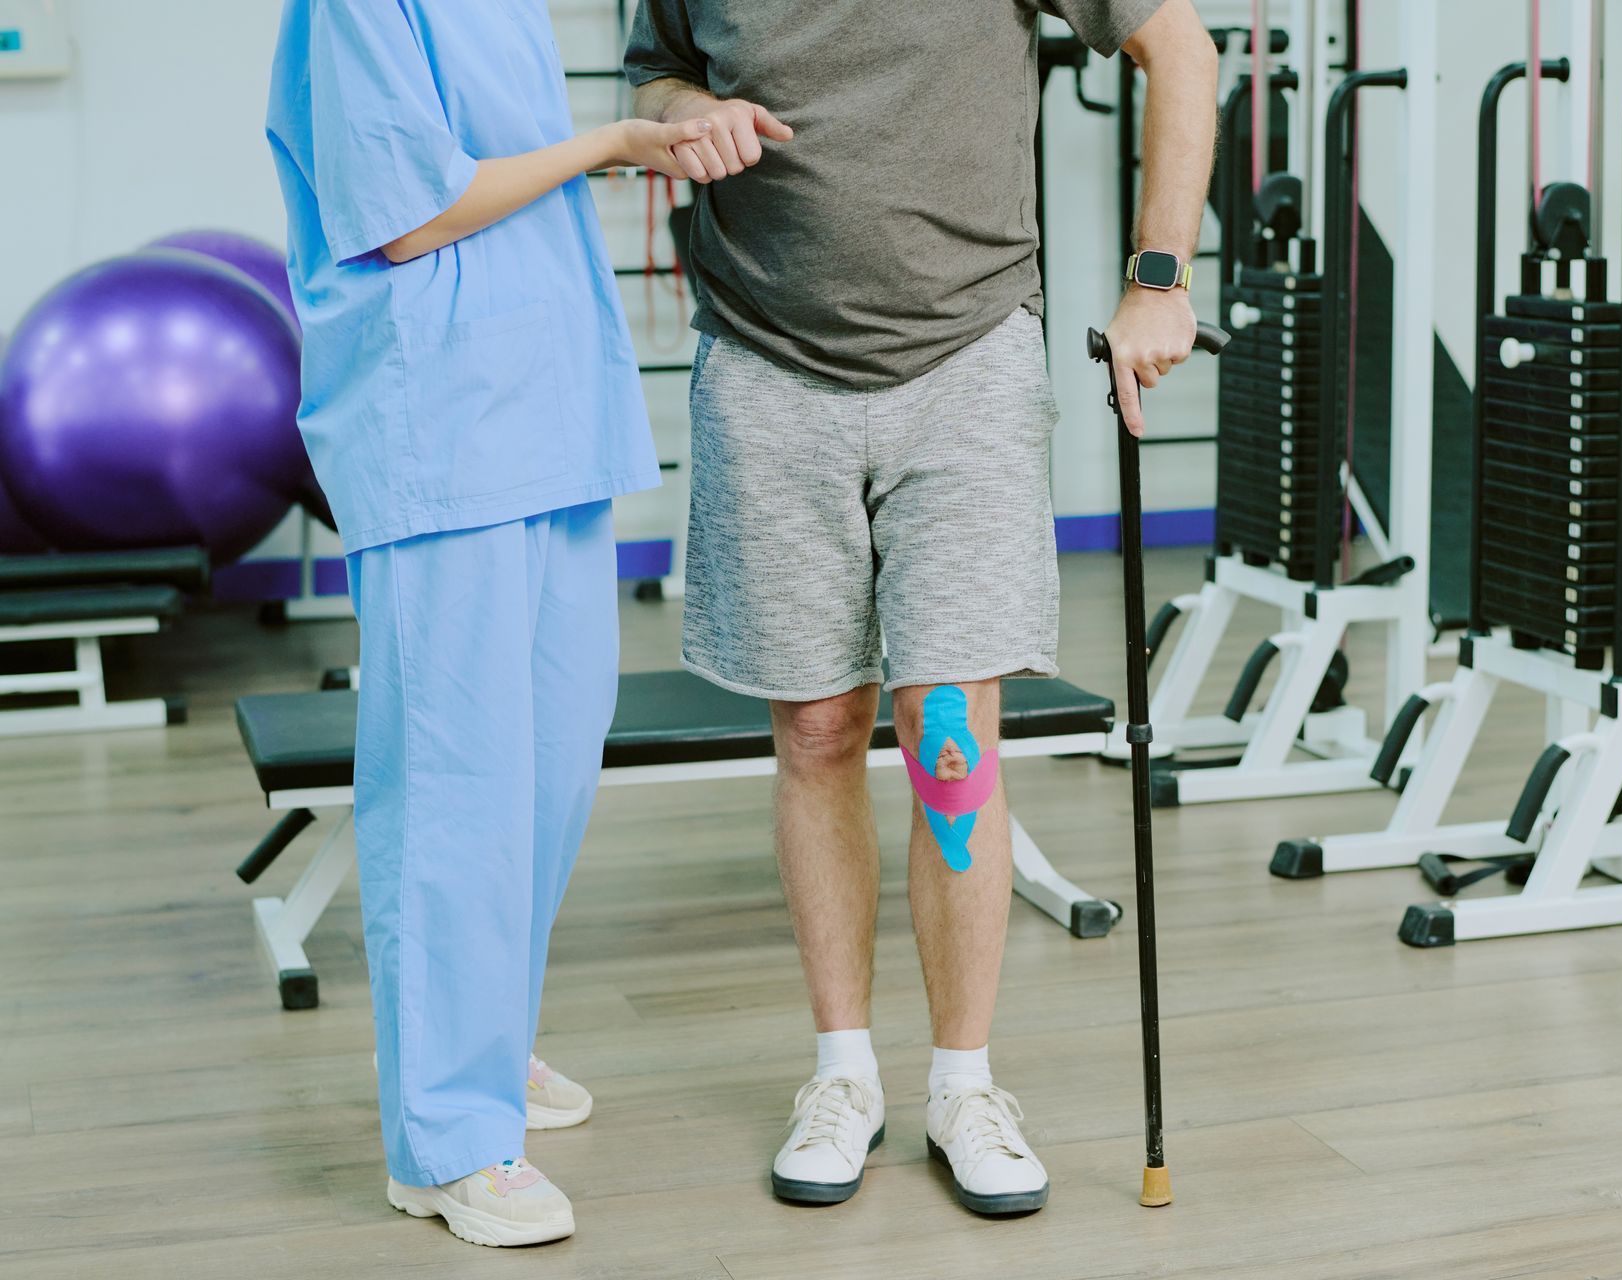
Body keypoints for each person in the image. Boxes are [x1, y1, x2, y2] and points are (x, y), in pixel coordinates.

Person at [625, 0, 1218, 1216]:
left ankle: (964, 1081)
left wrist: (1159, 277)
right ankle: (845, 1072)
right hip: (763, 356)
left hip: (967, 353)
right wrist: (693, 116)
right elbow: (657, 79)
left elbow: (1181, 45)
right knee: (820, 730)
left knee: (951, 729)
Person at [266, 0, 709, 1248]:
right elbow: (409, 215)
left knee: (551, 766)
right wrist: (614, 143)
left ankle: (489, 1043)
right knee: (457, 787)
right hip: (442, 417)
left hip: (549, 412)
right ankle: (447, 1138)